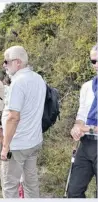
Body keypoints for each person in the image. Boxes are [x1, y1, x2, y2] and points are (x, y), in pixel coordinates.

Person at [0, 46, 46, 198]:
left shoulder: (18, 82)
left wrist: (5, 146)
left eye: (6, 62)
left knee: (9, 185)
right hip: (34, 140)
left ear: (17, 62)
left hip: (18, 144)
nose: (4, 65)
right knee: (31, 184)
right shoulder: (38, 78)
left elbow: (13, 117)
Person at [67, 44, 98, 198]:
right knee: (73, 191)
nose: (96, 65)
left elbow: (88, 126)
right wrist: (77, 127)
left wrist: (87, 128)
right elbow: (81, 114)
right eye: (93, 61)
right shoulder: (87, 87)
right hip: (86, 145)